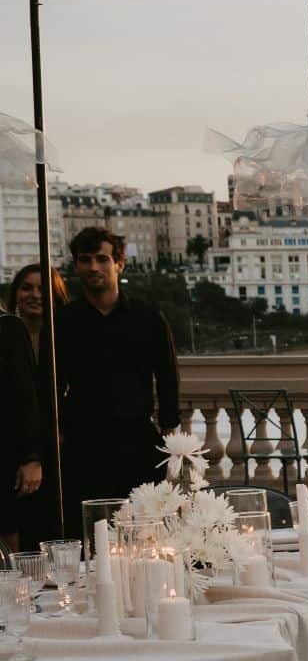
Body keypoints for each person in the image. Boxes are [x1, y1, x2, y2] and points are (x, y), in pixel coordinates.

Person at [52, 227, 179, 538]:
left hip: (136, 439)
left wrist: (170, 429)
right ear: (76, 264)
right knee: (88, 531)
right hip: (82, 442)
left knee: (144, 529)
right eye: (85, 260)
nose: (93, 267)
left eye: (102, 259)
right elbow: (52, 382)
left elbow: (167, 374)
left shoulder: (147, 317)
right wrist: (54, 428)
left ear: (119, 263)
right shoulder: (64, 322)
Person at [0, 263, 64, 549]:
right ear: (15, 293)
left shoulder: (64, 336)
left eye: (43, 288)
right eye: (26, 287)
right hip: (16, 449)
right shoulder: (8, 332)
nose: (35, 294)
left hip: (56, 448)